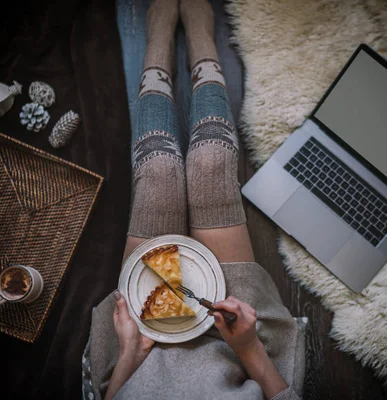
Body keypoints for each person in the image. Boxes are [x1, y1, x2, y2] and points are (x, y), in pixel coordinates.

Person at [82, 0, 305, 399]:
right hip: (240, 349)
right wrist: (248, 347)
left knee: (159, 169)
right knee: (211, 159)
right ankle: (203, 48)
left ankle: (157, 50)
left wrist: (131, 351)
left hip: (141, 350)